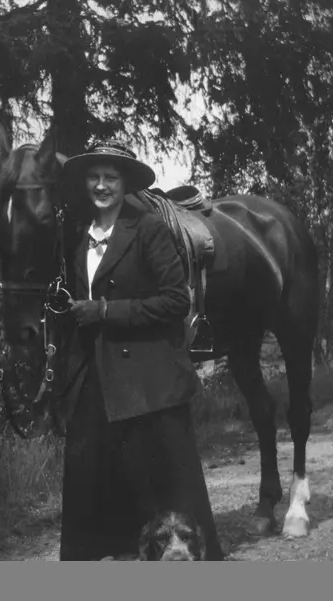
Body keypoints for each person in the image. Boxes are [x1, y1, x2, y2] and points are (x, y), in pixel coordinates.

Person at [56, 141, 225, 561]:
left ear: (125, 183)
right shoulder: (77, 235)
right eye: (94, 177)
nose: (101, 186)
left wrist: (105, 311)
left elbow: (176, 301)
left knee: (165, 495)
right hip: (97, 380)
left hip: (149, 385)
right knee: (93, 490)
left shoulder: (148, 228)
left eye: (110, 178)